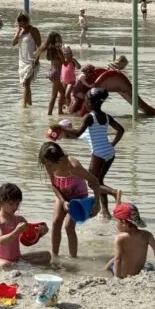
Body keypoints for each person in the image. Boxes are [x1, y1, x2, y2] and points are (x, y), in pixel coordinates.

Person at [38, 142, 121, 258]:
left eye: (49, 164)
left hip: (78, 196)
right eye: (45, 164)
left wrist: (97, 204)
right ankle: (55, 256)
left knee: (68, 227)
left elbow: (95, 181)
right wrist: (62, 201)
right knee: (56, 222)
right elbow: (53, 185)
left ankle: (73, 258)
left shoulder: (73, 165)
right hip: (62, 195)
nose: (47, 167)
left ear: (58, 159)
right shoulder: (48, 164)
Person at [58, 88, 124, 216]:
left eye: (86, 101)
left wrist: (61, 128)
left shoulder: (89, 117)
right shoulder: (106, 116)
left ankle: (114, 192)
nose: (84, 103)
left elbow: (77, 133)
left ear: (92, 103)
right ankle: (106, 213)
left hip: (99, 153)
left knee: (91, 182)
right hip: (110, 153)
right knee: (99, 181)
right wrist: (112, 144)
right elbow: (120, 130)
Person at [0, 183, 51, 269]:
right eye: (11, 204)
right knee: (6, 265)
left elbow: (29, 240)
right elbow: (1, 241)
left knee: (47, 255)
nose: (15, 207)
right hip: (0, 259)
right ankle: (22, 267)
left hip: (17, 258)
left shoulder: (19, 219)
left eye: (17, 204)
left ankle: (21, 266)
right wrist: (17, 231)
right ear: (2, 201)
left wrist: (40, 233)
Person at [107, 203, 155, 278]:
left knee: (111, 263)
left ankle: (105, 271)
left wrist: (116, 278)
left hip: (122, 274)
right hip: (138, 274)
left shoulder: (119, 238)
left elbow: (118, 259)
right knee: (149, 265)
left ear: (123, 223)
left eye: (117, 221)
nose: (116, 225)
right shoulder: (147, 235)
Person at [12, 13, 41, 108]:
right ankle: (29, 104)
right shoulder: (19, 31)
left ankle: (24, 106)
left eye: (22, 23)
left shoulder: (33, 30)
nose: (20, 25)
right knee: (26, 85)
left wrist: (37, 59)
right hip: (22, 61)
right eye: (19, 23)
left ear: (27, 22)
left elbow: (39, 46)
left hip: (31, 60)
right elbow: (13, 43)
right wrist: (17, 33)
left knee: (26, 83)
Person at [34, 32, 65, 116]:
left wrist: (36, 60)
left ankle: (60, 111)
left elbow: (39, 53)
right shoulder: (57, 50)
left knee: (63, 93)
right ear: (56, 40)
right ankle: (50, 113)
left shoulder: (50, 49)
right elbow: (63, 62)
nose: (60, 40)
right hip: (57, 74)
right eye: (58, 39)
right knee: (54, 95)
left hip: (52, 72)